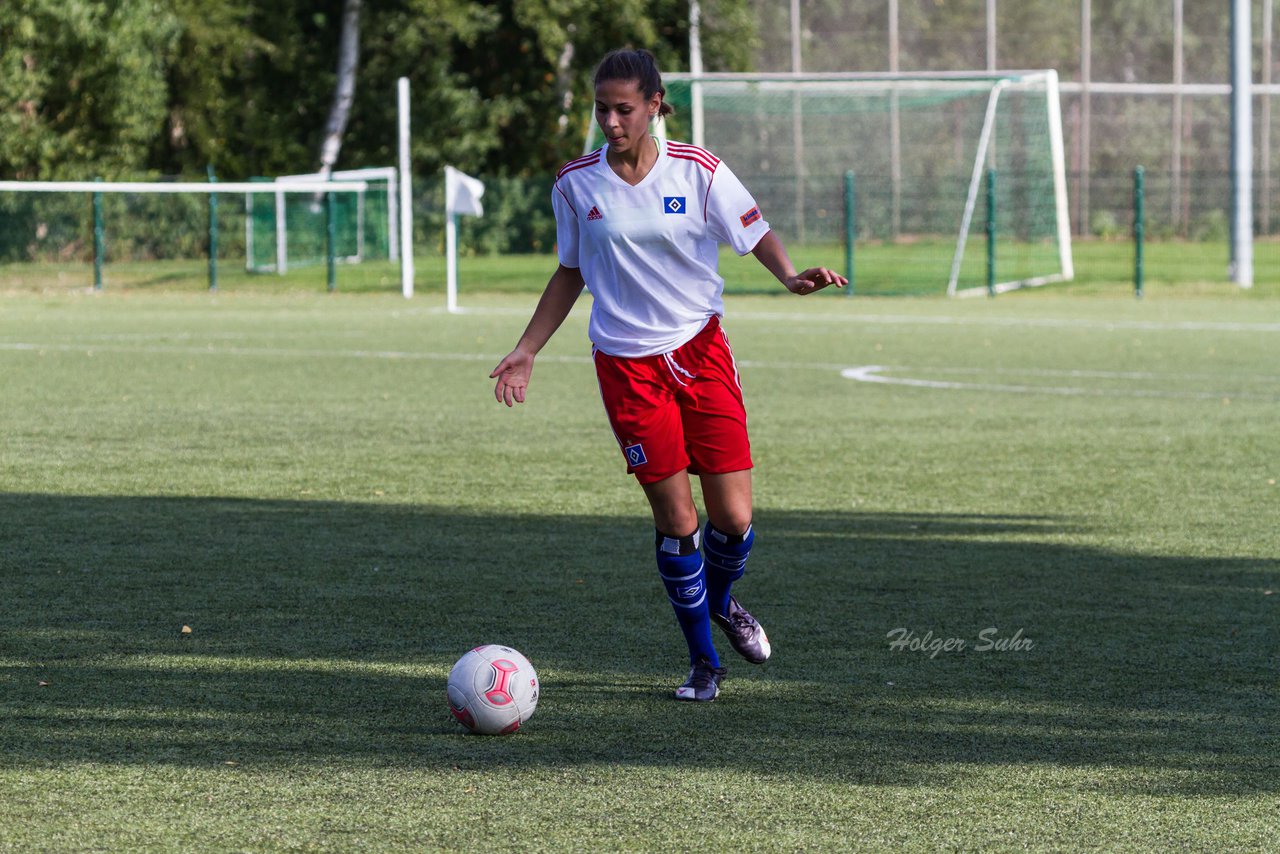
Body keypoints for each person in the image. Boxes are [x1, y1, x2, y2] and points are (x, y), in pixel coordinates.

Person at [490, 48, 845, 702]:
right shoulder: (575, 183)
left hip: (701, 352)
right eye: (602, 108)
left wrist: (789, 275)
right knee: (678, 521)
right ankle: (704, 662)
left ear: (655, 105)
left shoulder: (699, 170)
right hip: (627, 367)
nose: (611, 121)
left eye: (624, 108)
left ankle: (723, 599)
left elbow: (753, 228)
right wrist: (527, 347)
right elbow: (570, 270)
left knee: (733, 520)